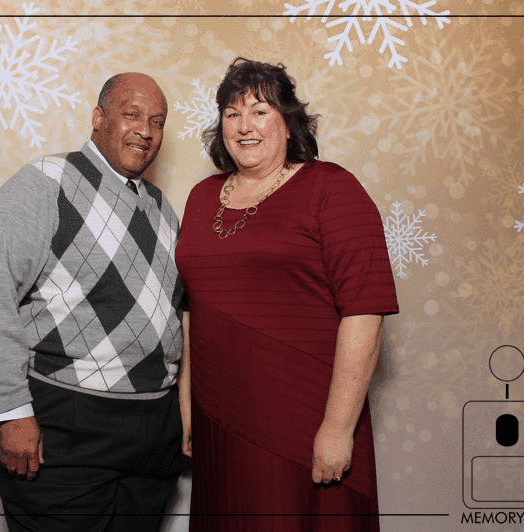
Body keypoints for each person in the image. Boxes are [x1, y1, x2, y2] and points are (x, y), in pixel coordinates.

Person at [175, 58, 399, 531]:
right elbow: (193, 309)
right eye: (232, 113)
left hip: (304, 419)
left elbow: (365, 312)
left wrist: (337, 428)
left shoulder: (332, 188)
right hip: (222, 421)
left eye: (260, 111)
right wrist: (187, 402)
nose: (245, 125)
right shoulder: (201, 198)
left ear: (288, 121)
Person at [0, 72, 189, 532]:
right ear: (99, 117)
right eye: (131, 114)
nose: (145, 130)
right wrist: (11, 411)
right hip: (63, 424)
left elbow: (177, 316)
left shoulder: (163, 210)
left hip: (151, 432)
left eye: (157, 121)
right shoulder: (45, 182)